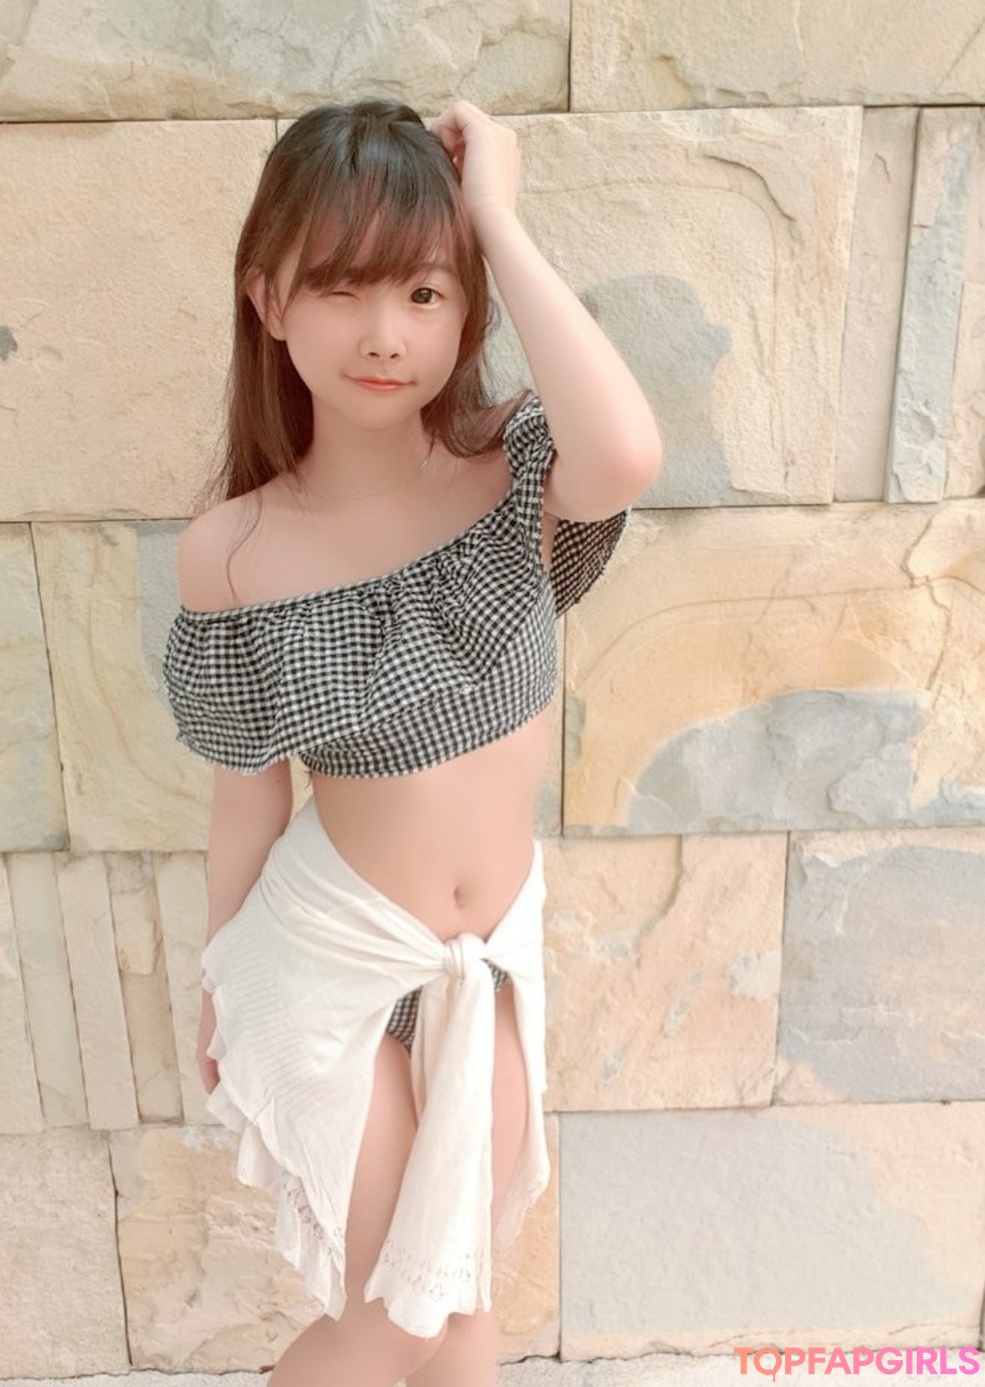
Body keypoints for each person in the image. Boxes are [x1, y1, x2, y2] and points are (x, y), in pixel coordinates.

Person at [162, 96, 663, 1387]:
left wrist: (495, 213)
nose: (386, 334)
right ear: (269, 300)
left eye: (426, 293)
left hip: (481, 963)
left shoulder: (515, 475)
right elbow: (246, 801)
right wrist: (216, 983)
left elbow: (628, 450)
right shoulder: (235, 552)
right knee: (397, 1314)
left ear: (466, 307)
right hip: (327, 956)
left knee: (461, 1297)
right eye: (341, 289)